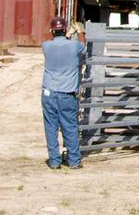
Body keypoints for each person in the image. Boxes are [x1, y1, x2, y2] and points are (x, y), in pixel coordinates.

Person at [42, 16, 87, 170]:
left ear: (52, 31)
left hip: (49, 93)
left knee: (51, 127)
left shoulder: (46, 46)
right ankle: (74, 161)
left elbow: (58, 43)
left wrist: (66, 35)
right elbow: (83, 47)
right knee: (70, 127)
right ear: (65, 30)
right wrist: (80, 32)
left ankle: (54, 161)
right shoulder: (75, 46)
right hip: (68, 94)